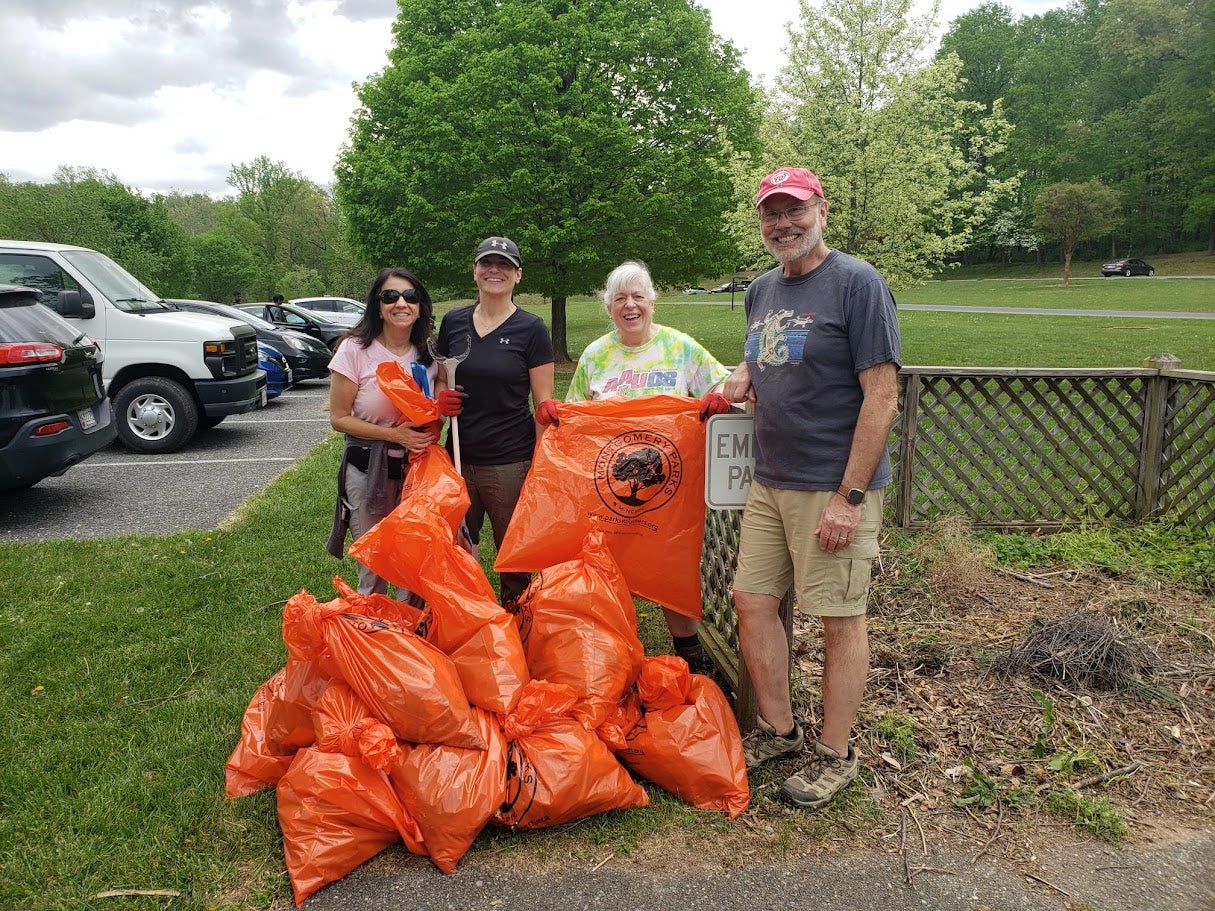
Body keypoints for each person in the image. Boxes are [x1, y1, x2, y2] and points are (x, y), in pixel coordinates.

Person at [722, 166, 901, 810]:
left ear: (820, 209)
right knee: (752, 600)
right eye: (771, 213)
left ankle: (835, 752)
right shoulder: (763, 289)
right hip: (769, 481)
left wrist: (849, 497)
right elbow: (770, 350)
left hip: (831, 483)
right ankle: (779, 729)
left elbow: (882, 395)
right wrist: (744, 368)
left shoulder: (857, 283)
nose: (783, 224)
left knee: (837, 620)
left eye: (794, 209)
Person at [535, 260, 730, 672]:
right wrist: (558, 416)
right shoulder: (596, 355)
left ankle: (691, 654)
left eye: (638, 296)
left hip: (670, 489)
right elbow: (579, 417)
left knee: (669, 566)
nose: (630, 306)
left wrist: (719, 401)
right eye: (620, 298)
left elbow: (722, 383)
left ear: (652, 302)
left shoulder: (679, 347)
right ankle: (607, 656)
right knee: (606, 566)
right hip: (610, 486)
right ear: (608, 307)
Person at [325, 267, 463, 595]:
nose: (401, 303)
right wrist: (396, 435)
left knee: (413, 560)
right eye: (390, 296)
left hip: (419, 472)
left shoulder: (428, 352)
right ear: (377, 305)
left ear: (420, 307)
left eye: (410, 296)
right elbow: (339, 418)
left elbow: (437, 393)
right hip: (368, 468)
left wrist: (440, 407)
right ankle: (374, 636)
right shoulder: (354, 350)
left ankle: (408, 638)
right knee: (374, 564)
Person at [435, 236, 555, 606]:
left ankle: (518, 621)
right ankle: (464, 621)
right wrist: (442, 396)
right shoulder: (454, 321)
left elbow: (544, 404)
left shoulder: (531, 329)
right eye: (487, 263)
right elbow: (442, 377)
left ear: (518, 275)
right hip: (456, 457)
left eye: (504, 265)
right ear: (475, 271)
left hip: (509, 462)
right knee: (455, 550)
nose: (494, 271)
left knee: (514, 555)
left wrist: (539, 463)